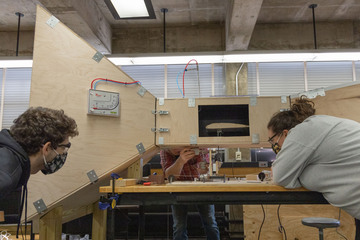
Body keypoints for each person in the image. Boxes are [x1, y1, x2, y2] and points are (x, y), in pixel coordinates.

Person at [267, 97, 360, 239]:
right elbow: (322, 173)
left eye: (273, 141)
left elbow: (280, 176)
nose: (275, 147)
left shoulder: (301, 132)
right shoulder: (323, 126)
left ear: (285, 133)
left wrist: (299, 176)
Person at [0, 107, 78, 235]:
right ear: (47, 148)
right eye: (64, 149)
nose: (63, 154)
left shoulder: (9, 158)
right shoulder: (6, 174)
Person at [160, 147, 220, 240]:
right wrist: (181, 160)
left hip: (201, 188)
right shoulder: (165, 150)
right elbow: (169, 176)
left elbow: (205, 170)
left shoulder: (200, 146)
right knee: (179, 226)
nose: (176, 150)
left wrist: (207, 168)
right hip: (178, 190)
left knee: (210, 222)